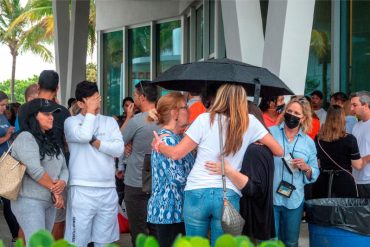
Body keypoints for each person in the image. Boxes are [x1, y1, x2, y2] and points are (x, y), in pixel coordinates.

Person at [152, 84, 283, 245]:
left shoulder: (204, 119)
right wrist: (256, 141)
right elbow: (279, 151)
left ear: (220, 98)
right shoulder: (251, 123)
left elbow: (176, 153)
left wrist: (160, 146)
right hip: (228, 193)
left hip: (196, 191)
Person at [204, 102, 276, 242]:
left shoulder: (255, 150)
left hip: (251, 229)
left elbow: (256, 189)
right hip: (255, 227)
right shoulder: (258, 147)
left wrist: (229, 171)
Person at [64, 81, 124, 247]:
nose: (97, 102)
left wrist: (98, 143)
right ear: (80, 103)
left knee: (104, 242)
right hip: (82, 190)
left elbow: (119, 149)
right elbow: (84, 136)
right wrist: (90, 112)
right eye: (92, 100)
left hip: (108, 190)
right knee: (78, 242)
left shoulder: (109, 122)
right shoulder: (71, 122)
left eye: (97, 98)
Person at [18, 70, 70, 240]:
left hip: (50, 197)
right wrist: (56, 191)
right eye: (47, 114)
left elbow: (63, 165)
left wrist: (61, 182)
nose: (52, 118)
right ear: (57, 88)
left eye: (52, 114)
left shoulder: (50, 137)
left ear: (39, 85)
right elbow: (35, 170)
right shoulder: (26, 137)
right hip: (33, 196)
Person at [269, 97, 319, 247]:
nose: (291, 115)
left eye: (296, 113)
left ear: (303, 118)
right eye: (289, 111)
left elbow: (314, 172)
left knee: (291, 242)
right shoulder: (270, 133)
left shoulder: (308, 142)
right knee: (271, 241)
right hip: (271, 198)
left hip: (294, 200)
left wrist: (307, 168)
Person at [147, 92, 195, 247]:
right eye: (185, 107)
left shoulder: (178, 138)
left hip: (177, 211)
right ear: (175, 113)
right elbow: (177, 178)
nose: (189, 110)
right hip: (167, 212)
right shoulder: (166, 140)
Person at [121, 81, 160, 246]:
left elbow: (118, 141)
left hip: (136, 182)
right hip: (158, 181)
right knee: (157, 229)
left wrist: (128, 118)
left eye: (136, 95)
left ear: (143, 97)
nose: (134, 99)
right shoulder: (165, 118)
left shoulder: (136, 121)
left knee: (138, 231)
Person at [312, 105, 370, 199]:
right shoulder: (349, 139)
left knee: (324, 212)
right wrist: (368, 158)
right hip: (344, 183)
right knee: (344, 212)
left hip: (323, 181)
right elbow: (358, 165)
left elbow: (318, 163)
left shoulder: (318, 138)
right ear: (343, 119)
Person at [0, 91, 19, 242]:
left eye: (5, 104)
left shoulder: (3, 116)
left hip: (7, 163)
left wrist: (11, 133)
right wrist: (6, 136)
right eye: (1, 104)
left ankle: (16, 236)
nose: (4, 107)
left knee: (10, 202)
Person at [350, 91, 370, 198]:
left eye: (355, 105)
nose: (351, 109)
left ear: (365, 105)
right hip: (356, 180)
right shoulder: (356, 126)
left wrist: (365, 160)